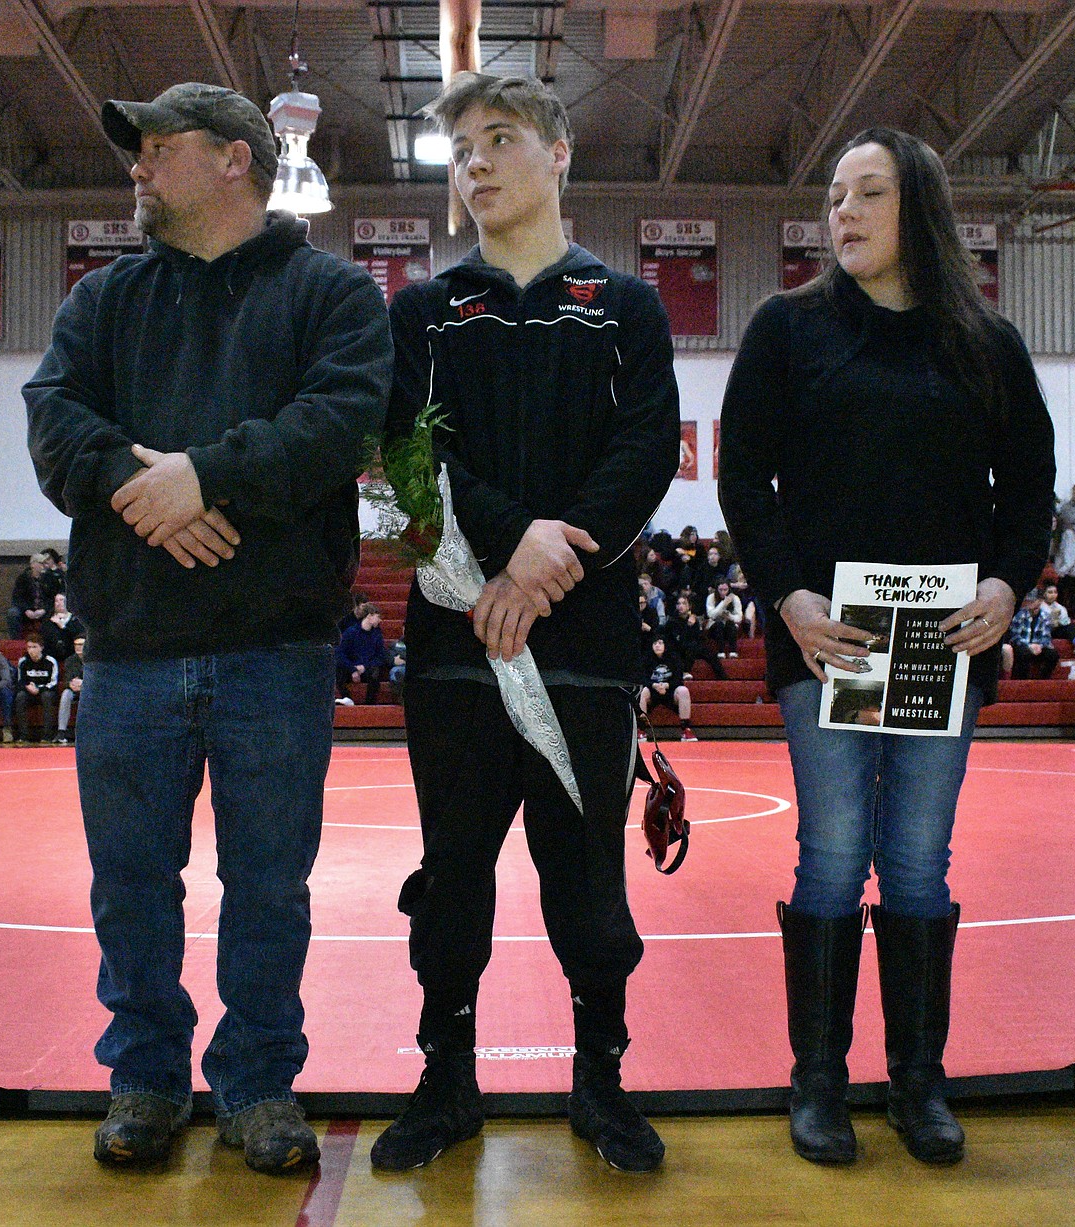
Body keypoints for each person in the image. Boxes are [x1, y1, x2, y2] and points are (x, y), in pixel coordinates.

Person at [23, 82, 392, 1172]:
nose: (135, 165)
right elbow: (55, 423)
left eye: (157, 146)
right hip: (134, 651)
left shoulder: (333, 295)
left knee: (268, 887)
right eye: (136, 149)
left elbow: (341, 422)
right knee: (129, 882)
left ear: (237, 159)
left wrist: (205, 478)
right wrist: (154, 492)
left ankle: (258, 1080)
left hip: (276, 651)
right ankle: (144, 1075)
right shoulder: (101, 302)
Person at [719, 127, 1054, 1169]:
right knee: (830, 852)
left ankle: (918, 1080)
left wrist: (1007, 582)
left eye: (868, 193)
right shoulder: (787, 329)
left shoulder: (987, 343)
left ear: (920, 208)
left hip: (942, 643)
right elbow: (742, 480)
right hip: (831, 640)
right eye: (834, 196)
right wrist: (790, 600)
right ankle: (818, 1078)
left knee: (916, 859)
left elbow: (1030, 491)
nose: (844, 214)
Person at [374, 71, 680, 1175]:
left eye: (498, 140)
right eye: (460, 150)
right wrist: (516, 545)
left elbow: (645, 453)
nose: (476, 164)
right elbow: (406, 467)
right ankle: (445, 1081)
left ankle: (600, 1079)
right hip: (456, 647)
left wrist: (553, 565)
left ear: (558, 155)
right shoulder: (419, 312)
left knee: (589, 882)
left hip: (587, 652)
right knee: (451, 877)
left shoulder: (626, 309)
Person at [638, 634, 696, 741]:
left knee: (683, 691)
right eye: (655, 643)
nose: (657, 646)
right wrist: (654, 685)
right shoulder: (646, 658)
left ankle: (686, 730)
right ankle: (641, 730)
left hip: (670, 690)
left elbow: (678, 678)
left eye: (660, 643)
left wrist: (667, 685)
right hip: (653, 690)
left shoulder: (674, 657)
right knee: (643, 691)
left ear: (665, 645)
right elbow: (642, 678)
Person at [335, 603, 391, 704]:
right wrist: (353, 669)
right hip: (351, 667)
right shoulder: (351, 632)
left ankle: (369, 702)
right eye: (378, 617)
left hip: (367, 668)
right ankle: (346, 697)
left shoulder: (377, 634)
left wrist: (364, 667)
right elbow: (340, 653)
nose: (380, 620)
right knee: (338, 668)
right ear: (369, 616)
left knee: (376, 671)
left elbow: (381, 655)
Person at [666, 591, 726, 680]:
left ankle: (722, 677)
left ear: (689, 606)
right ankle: (685, 671)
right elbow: (679, 639)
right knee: (691, 646)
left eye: (684, 603)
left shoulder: (693, 619)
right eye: (678, 604)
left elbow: (698, 636)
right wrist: (688, 626)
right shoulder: (672, 621)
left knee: (710, 652)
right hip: (679, 647)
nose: (681, 606)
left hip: (694, 646)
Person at [14, 637, 59, 745]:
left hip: (46, 690)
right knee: (20, 697)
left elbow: (53, 682)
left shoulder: (50, 661)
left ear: (41, 648)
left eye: (34, 647)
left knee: (47, 697)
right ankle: (23, 735)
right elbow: (20, 680)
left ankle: (47, 735)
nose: (31, 650)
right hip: (28, 690)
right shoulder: (23, 661)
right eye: (29, 647)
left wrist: (39, 689)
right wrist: (28, 687)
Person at [1007, 590, 1059, 678]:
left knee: (1053, 655)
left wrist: (1040, 646)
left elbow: (1046, 637)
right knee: (1023, 653)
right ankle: (1022, 679)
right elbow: (1015, 636)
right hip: (1023, 645)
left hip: (1038, 646)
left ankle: (1044, 679)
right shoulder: (1020, 615)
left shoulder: (1045, 616)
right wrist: (1029, 646)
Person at [7, 554, 54, 640]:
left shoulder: (50, 578)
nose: (45, 566)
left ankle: (48, 641)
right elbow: (17, 598)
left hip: (44, 610)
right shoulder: (22, 578)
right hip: (26, 610)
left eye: (45, 563)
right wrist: (26, 609)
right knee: (12, 613)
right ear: (33, 565)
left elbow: (51, 598)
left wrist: (44, 609)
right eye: (41, 563)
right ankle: (15, 640)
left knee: (54, 613)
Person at [1039, 581, 1075, 655]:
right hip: (1043, 631)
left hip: (1056, 630)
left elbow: (1066, 621)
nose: (1053, 595)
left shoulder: (1060, 607)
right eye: (1050, 592)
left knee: (1071, 627)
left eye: (1055, 592)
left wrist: (1058, 621)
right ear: (1044, 594)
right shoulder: (1039, 606)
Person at [55, 635, 86, 744]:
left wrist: (84, 684)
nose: (78, 647)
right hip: (74, 689)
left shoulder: (95, 660)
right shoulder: (70, 660)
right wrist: (71, 684)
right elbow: (66, 680)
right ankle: (61, 731)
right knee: (65, 694)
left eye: (81, 645)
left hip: (90, 690)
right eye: (76, 645)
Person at [42, 592, 87, 662]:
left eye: (61, 600)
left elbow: (79, 636)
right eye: (56, 601)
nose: (59, 603)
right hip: (52, 655)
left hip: (72, 654)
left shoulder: (76, 619)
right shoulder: (48, 620)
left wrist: (63, 627)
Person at [704, 579, 743, 657]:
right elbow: (711, 615)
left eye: (725, 590)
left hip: (729, 626)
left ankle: (733, 651)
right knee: (718, 625)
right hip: (715, 627)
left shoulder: (735, 598)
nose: (723, 592)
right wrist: (723, 604)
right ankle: (720, 651)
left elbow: (739, 617)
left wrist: (729, 616)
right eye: (720, 590)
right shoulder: (711, 597)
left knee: (731, 624)